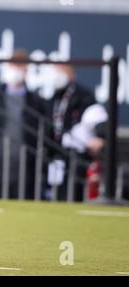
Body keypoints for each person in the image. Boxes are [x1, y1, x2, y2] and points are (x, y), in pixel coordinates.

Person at [0, 49, 46, 199]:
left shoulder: (36, 103)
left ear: (27, 70)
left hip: (24, 166)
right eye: (13, 65)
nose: (16, 70)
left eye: (20, 66)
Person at [46, 64, 96, 201]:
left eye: (62, 72)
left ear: (71, 75)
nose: (57, 76)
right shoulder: (54, 97)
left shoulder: (83, 95)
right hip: (56, 152)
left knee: (73, 191)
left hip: (76, 152)